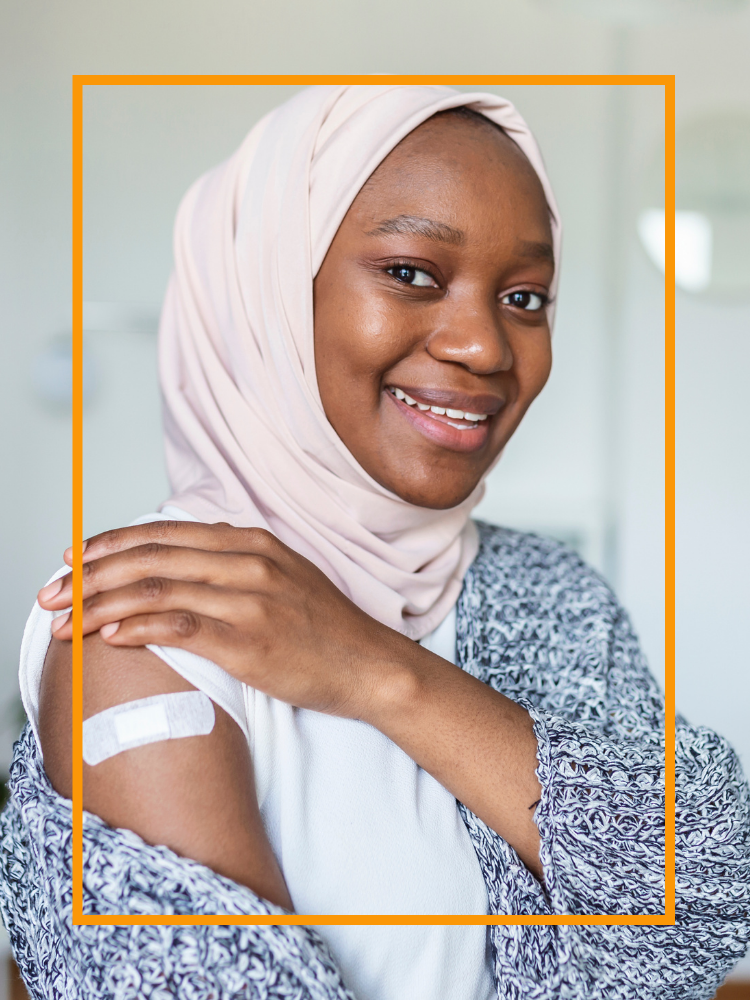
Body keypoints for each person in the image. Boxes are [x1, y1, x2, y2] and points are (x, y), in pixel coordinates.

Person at [1, 85, 748, 1000]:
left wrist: (374, 671)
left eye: (524, 296)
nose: (485, 346)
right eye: (410, 273)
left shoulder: (548, 590)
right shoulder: (147, 612)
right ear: (268, 291)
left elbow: (706, 898)